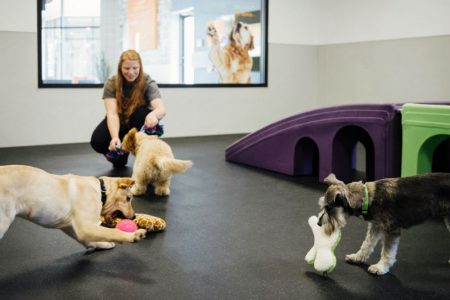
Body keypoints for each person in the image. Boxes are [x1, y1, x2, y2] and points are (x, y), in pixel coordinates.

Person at [90, 49, 166, 168]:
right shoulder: (112, 83)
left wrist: (153, 115)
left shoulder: (147, 82)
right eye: (126, 68)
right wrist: (114, 137)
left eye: (135, 68)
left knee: (143, 113)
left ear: (140, 67)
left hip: (137, 121)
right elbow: (112, 114)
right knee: (97, 141)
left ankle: (146, 157)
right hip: (119, 119)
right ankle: (121, 152)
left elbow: (161, 109)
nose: (131, 72)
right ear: (120, 68)